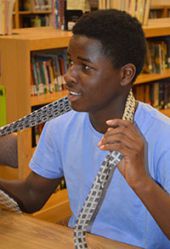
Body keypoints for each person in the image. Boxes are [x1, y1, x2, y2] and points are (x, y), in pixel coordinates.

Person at [0, 9, 170, 249]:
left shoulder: (164, 137)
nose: (68, 76)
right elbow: (32, 195)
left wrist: (142, 181)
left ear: (125, 74)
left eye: (86, 67)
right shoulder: (60, 124)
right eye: (70, 62)